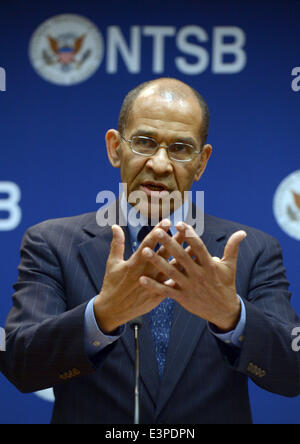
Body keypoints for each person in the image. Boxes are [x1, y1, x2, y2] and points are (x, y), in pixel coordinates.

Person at [1, 77, 300, 424]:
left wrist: (232, 317)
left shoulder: (253, 251)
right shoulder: (52, 243)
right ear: (115, 148)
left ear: (201, 163)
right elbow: (20, 365)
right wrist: (101, 317)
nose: (159, 164)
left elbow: (293, 373)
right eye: (144, 142)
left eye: (180, 148)